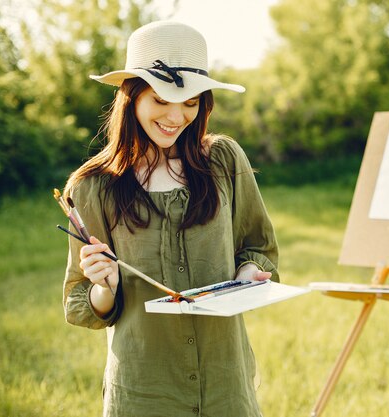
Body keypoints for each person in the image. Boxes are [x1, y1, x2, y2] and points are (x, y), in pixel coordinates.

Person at [61, 20, 278, 417]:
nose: (176, 116)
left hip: (225, 384)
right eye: (161, 99)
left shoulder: (224, 161)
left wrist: (246, 277)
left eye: (191, 102)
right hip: (144, 390)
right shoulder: (92, 188)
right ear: (132, 96)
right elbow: (80, 302)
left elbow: (258, 248)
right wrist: (104, 284)